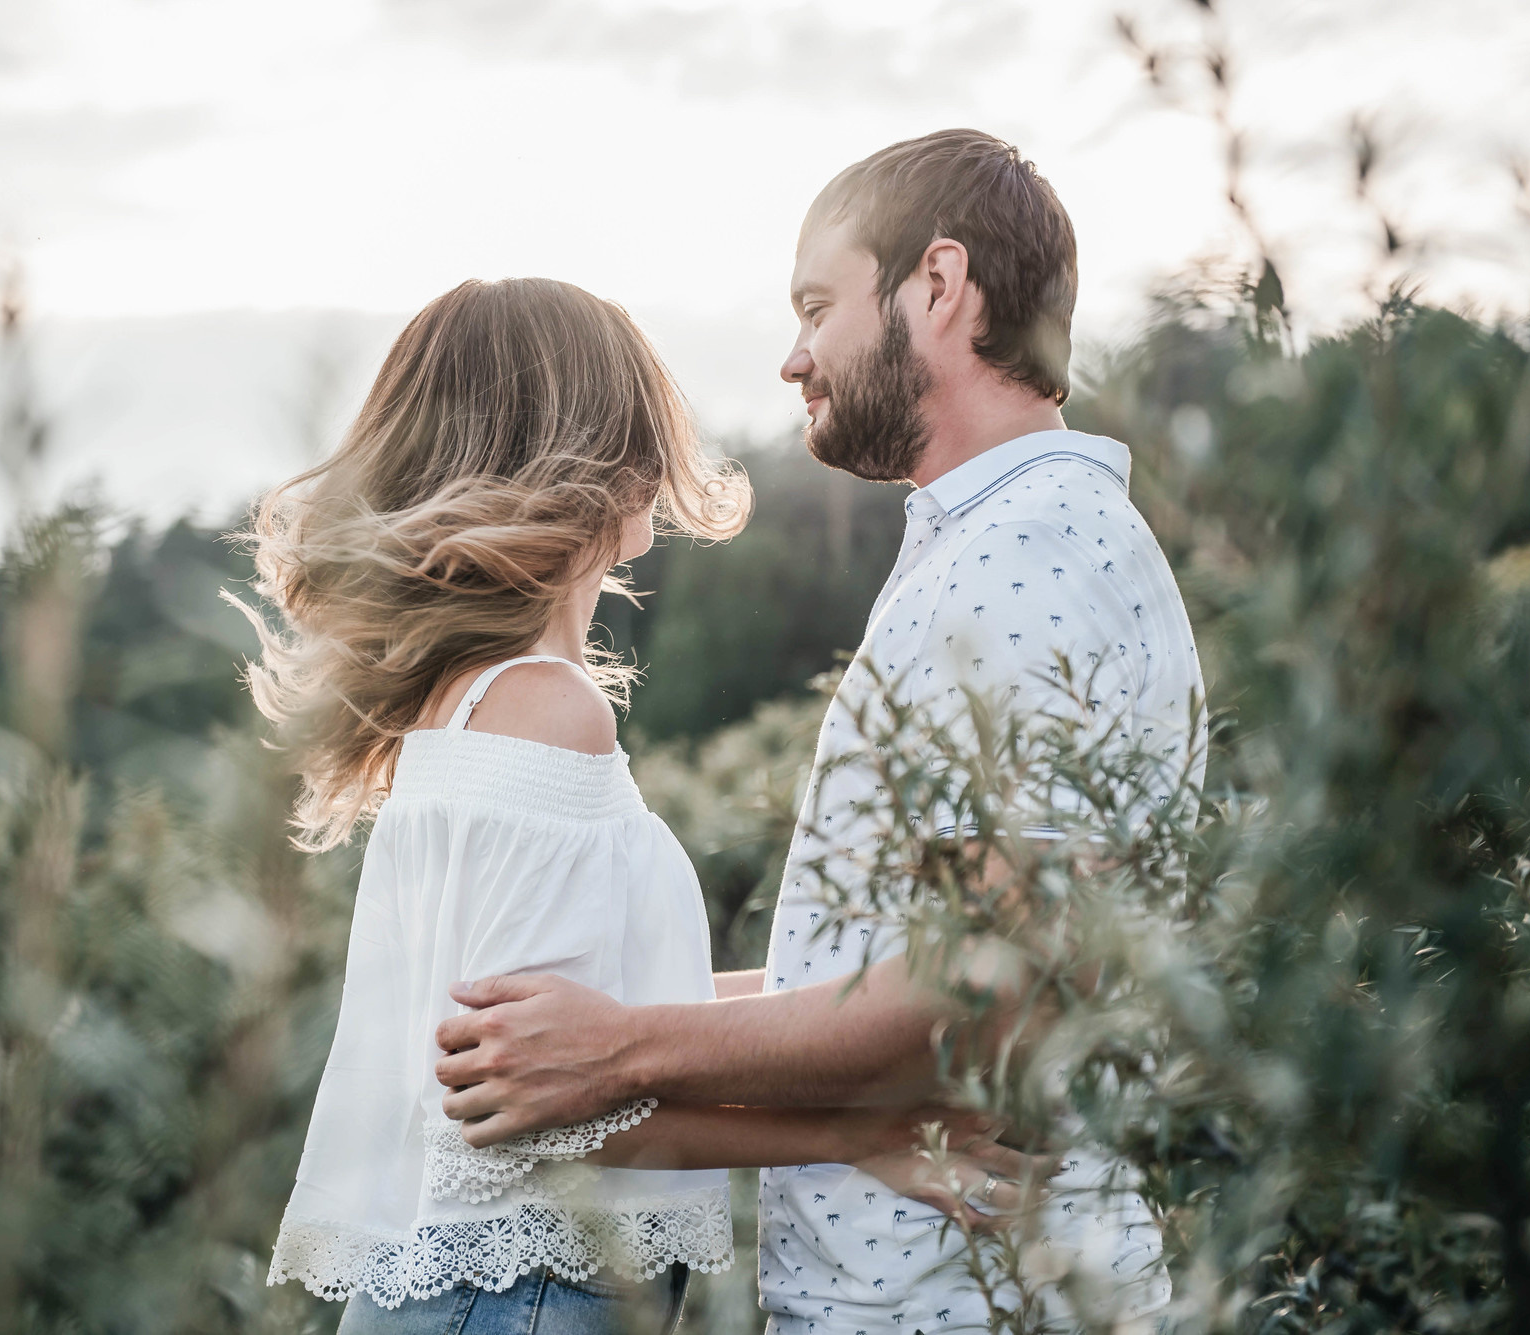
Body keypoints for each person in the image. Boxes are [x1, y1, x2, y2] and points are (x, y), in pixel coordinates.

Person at [431, 133, 1208, 1332]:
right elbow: (892, 959)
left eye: (813, 308)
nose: (793, 358)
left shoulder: (1025, 559)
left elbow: (998, 987)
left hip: (965, 1300)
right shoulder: (992, 546)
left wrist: (627, 1050)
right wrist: (596, 1032)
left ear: (937, 287)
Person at [249, 277, 1044, 1335]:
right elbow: (541, 1118)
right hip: (518, 1304)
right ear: (589, 463)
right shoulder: (542, 709)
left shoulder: (463, 709)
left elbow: (599, 1030)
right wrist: (859, 1131)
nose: (657, 472)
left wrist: (864, 1004)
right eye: (640, 435)